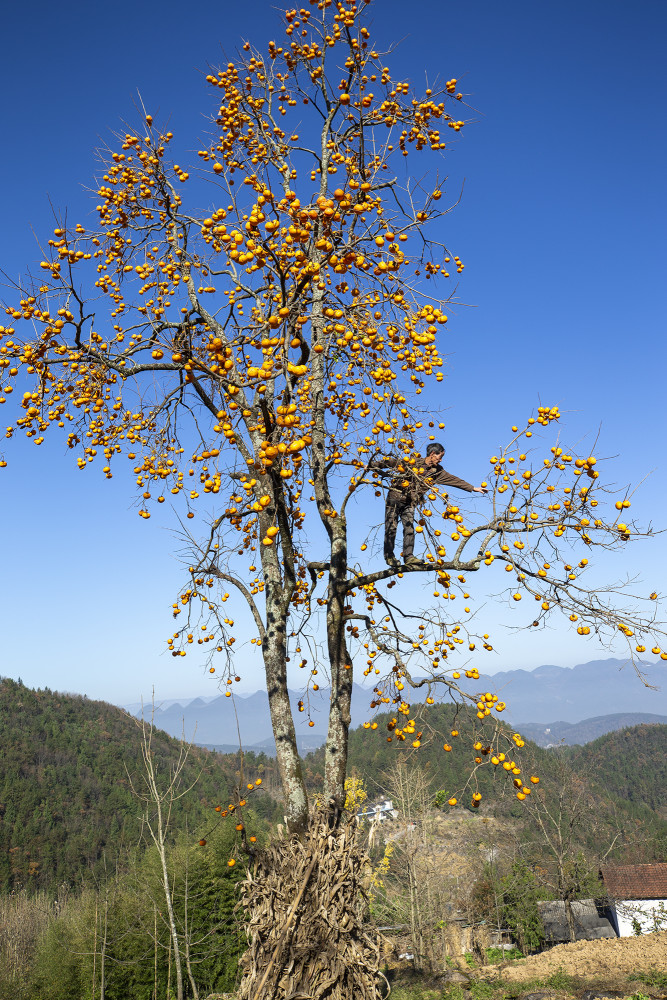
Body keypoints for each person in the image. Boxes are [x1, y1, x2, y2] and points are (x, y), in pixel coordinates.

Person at [382, 442, 487, 566]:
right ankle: (389, 557)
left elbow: (454, 480)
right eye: (440, 456)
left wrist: (472, 488)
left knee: (409, 529)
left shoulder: (437, 472)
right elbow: (393, 462)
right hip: (395, 497)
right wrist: (372, 465)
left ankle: (408, 557)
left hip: (410, 502)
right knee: (391, 527)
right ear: (432, 454)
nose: (441, 460)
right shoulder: (414, 462)